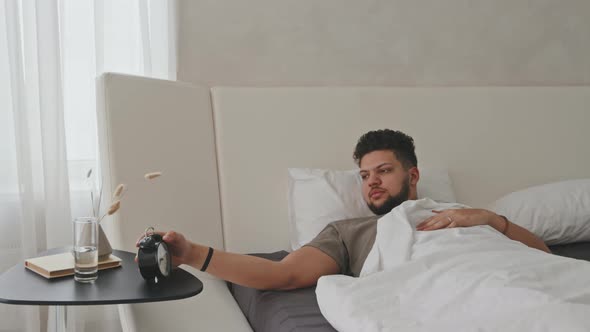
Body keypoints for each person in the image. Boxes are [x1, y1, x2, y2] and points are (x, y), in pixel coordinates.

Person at [136, 129, 551, 290]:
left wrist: (491, 219)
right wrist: (192, 254)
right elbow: (283, 275)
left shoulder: (465, 212)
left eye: (384, 171)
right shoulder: (348, 232)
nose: (371, 180)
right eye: (365, 174)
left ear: (413, 175)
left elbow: (544, 257)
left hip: (511, 272)